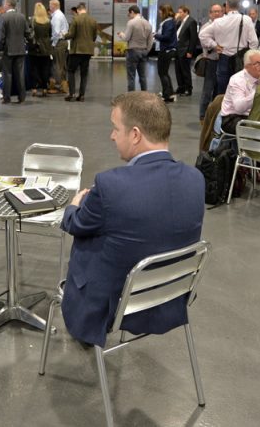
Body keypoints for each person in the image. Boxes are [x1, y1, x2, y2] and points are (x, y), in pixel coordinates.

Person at [60, 91, 204, 347]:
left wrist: (73, 205)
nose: (112, 135)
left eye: (115, 128)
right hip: (169, 298)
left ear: (135, 134)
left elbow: (75, 224)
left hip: (113, 304)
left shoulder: (109, 186)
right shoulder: (195, 179)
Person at [198, 0, 258, 96]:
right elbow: (254, 42)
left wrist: (214, 45)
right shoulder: (246, 20)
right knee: (239, 91)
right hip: (240, 59)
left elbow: (202, 35)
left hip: (223, 59)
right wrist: (248, 58)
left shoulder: (219, 21)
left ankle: (223, 111)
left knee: (222, 93)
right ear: (238, 6)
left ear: (226, 5)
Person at [219, 49, 260, 134]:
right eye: (256, 63)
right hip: (233, 118)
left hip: (255, 115)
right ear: (247, 67)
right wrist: (259, 91)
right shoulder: (237, 80)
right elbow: (239, 108)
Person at [0, 0, 31, 104]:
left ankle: (6, 98)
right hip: (20, 50)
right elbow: (28, 33)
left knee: (7, 75)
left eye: (4, 4)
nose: (3, 5)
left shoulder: (3, 17)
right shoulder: (22, 17)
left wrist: (0, 48)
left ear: (8, 4)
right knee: (20, 75)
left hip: (8, 50)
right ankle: (22, 97)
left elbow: (1, 36)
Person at [64, 2, 98, 102]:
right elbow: (94, 36)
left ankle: (72, 94)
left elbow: (71, 34)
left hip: (76, 50)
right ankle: (81, 95)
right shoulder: (93, 20)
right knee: (84, 73)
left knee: (71, 71)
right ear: (85, 10)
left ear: (78, 10)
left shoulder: (76, 19)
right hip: (88, 51)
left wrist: (64, 35)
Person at [117, 5, 153, 92]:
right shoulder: (148, 23)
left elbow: (126, 38)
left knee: (131, 76)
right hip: (143, 51)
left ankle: (131, 97)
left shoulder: (131, 23)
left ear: (132, 12)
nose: (129, 16)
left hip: (133, 52)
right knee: (143, 76)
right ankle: (145, 95)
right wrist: (147, 51)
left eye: (129, 14)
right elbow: (150, 40)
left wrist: (121, 34)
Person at [198, 4, 224, 121]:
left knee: (219, 91)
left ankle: (215, 115)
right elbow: (204, 43)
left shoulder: (224, 26)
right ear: (210, 13)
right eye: (215, 12)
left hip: (222, 61)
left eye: (219, 11)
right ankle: (203, 116)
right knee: (207, 90)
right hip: (211, 61)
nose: (217, 14)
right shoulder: (206, 27)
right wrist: (216, 46)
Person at [154, 4, 177, 103]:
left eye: (160, 11)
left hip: (166, 50)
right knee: (164, 73)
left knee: (162, 73)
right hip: (167, 50)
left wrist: (156, 35)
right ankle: (169, 93)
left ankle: (167, 95)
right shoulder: (169, 22)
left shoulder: (168, 23)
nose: (159, 13)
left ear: (164, 12)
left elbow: (166, 37)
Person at [28, 2, 52, 98]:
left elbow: (29, 34)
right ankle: (45, 88)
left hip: (35, 48)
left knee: (34, 68)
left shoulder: (32, 21)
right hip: (46, 48)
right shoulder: (48, 21)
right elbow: (50, 35)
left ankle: (34, 88)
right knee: (45, 69)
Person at [174, 5, 198, 96]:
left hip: (185, 49)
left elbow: (193, 38)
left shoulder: (191, 21)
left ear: (186, 12)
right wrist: (176, 20)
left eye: (180, 12)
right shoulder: (180, 22)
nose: (178, 14)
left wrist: (190, 51)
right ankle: (181, 87)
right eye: (178, 12)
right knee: (178, 70)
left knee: (185, 71)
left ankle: (188, 88)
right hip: (178, 49)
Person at [49, 0, 69, 93]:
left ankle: (59, 86)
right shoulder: (61, 14)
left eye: (50, 5)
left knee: (58, 66)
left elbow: (56, 33)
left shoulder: (56, 16)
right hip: (63, 42)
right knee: (62, 65)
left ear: (53, 5)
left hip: (59, 43)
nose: (49, 7)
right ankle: (63, 85)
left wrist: (52, 43)